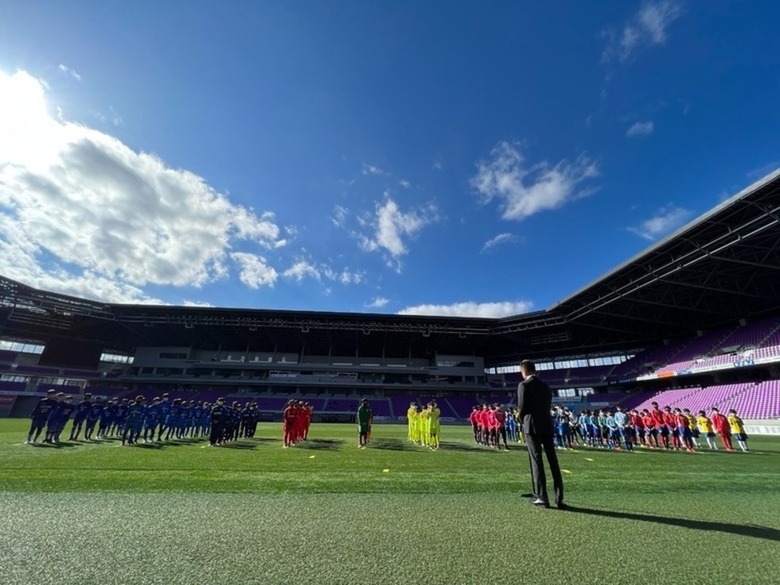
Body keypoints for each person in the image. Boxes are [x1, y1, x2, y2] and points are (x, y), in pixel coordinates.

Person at [517, 360, 565, 509]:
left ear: (523, 372)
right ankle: (559, 497)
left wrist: (520, 418)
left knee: (536, 460)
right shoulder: (545, 386)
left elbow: (522, 407)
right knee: (553, 461)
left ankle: (542, 496)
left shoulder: (523, 385)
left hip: (532, 426)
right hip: (546, 425)